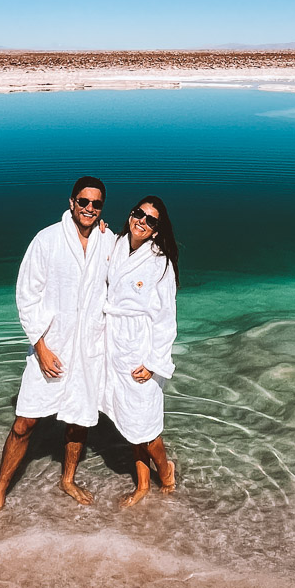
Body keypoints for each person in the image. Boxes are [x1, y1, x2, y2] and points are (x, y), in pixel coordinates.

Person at [0, 176, 117, 535]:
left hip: (88, 351)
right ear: (71, 202)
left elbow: (133, 270)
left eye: (96, 204)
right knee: (25, 423)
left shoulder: (109, 242)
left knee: (79, 420)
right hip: (50, 348)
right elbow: (26, 294)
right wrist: (40, 346)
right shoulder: (47, 240)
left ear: (101, 209)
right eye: (83, 202)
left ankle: (67, 479)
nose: (89, 209)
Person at [102, 195, 179, 507]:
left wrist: (153, 363)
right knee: (130, 423)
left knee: (146, 427)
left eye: (151, 220)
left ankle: (166, 471)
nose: (142, 222)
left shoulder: (160, 264)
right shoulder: (116, 244)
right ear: (130, 215)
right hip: (115, 345)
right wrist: (100, 229)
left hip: (140, 349)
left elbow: (166, 319)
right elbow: (93, 244)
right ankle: (143, 485)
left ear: (157, 230)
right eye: (138, 214)